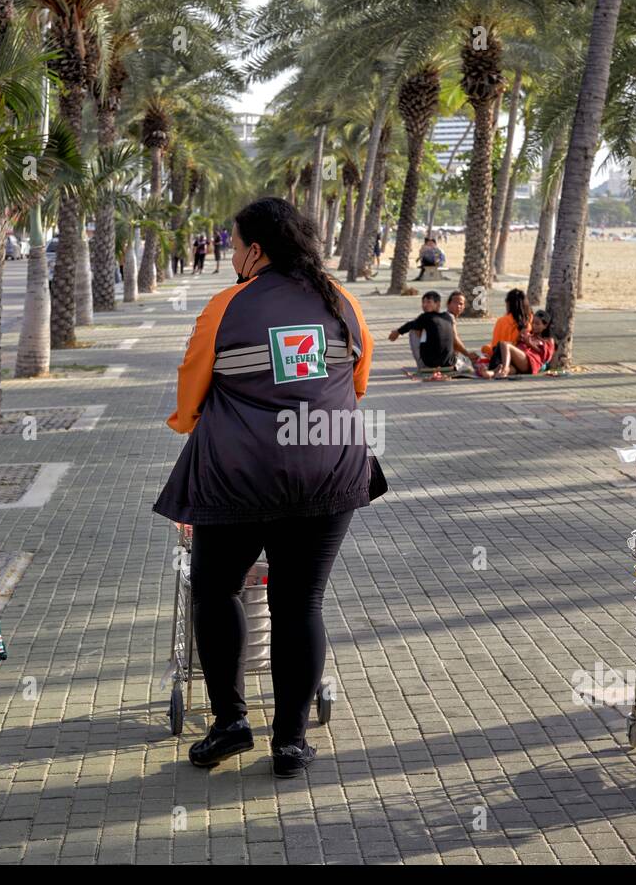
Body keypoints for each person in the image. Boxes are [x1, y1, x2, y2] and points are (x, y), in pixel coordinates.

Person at [153, 196, 380, 778]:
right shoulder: (342, 300)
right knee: (300, 601)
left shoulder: (227, 305)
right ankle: (291, 742)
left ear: (254, 250)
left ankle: (230, 722)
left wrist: (197, 425)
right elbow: (356, 383)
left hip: (239, 477)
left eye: (234, 245)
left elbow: (190, 397)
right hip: (330, 469)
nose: (232, 255)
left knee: (215, 589)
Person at [388, 290, 477, 371]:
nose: (425, 305)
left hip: (434, 362)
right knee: (416, 327)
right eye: (423, 302)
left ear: (438, 304)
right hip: (449, 362)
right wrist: (467, 354)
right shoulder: (447, 317)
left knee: (414, 328)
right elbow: (455, 340)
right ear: (448, 304)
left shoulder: (434, 317)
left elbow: (454, 341)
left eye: (428, 302)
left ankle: (423, 364)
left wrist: (398, 332)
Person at [480, 309, 553, 379]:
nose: (534, 326)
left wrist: (530, 344)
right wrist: (520, 338)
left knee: (504, 344)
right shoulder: (530, 335)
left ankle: (504, 370)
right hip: (520, 363)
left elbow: (546, 357)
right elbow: (517, 346)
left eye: (537, 324)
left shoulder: (548, 340)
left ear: (545, 326)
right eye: (533, 323)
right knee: (505, 366)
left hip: (530, 362)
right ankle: (490, 373)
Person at [481, 288, 532, 364]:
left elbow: (495, 346)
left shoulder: (502, 321)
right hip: (523, 359)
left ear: (508, 304)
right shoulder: (531, 320)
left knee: (486, 349)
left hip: (506, 357)